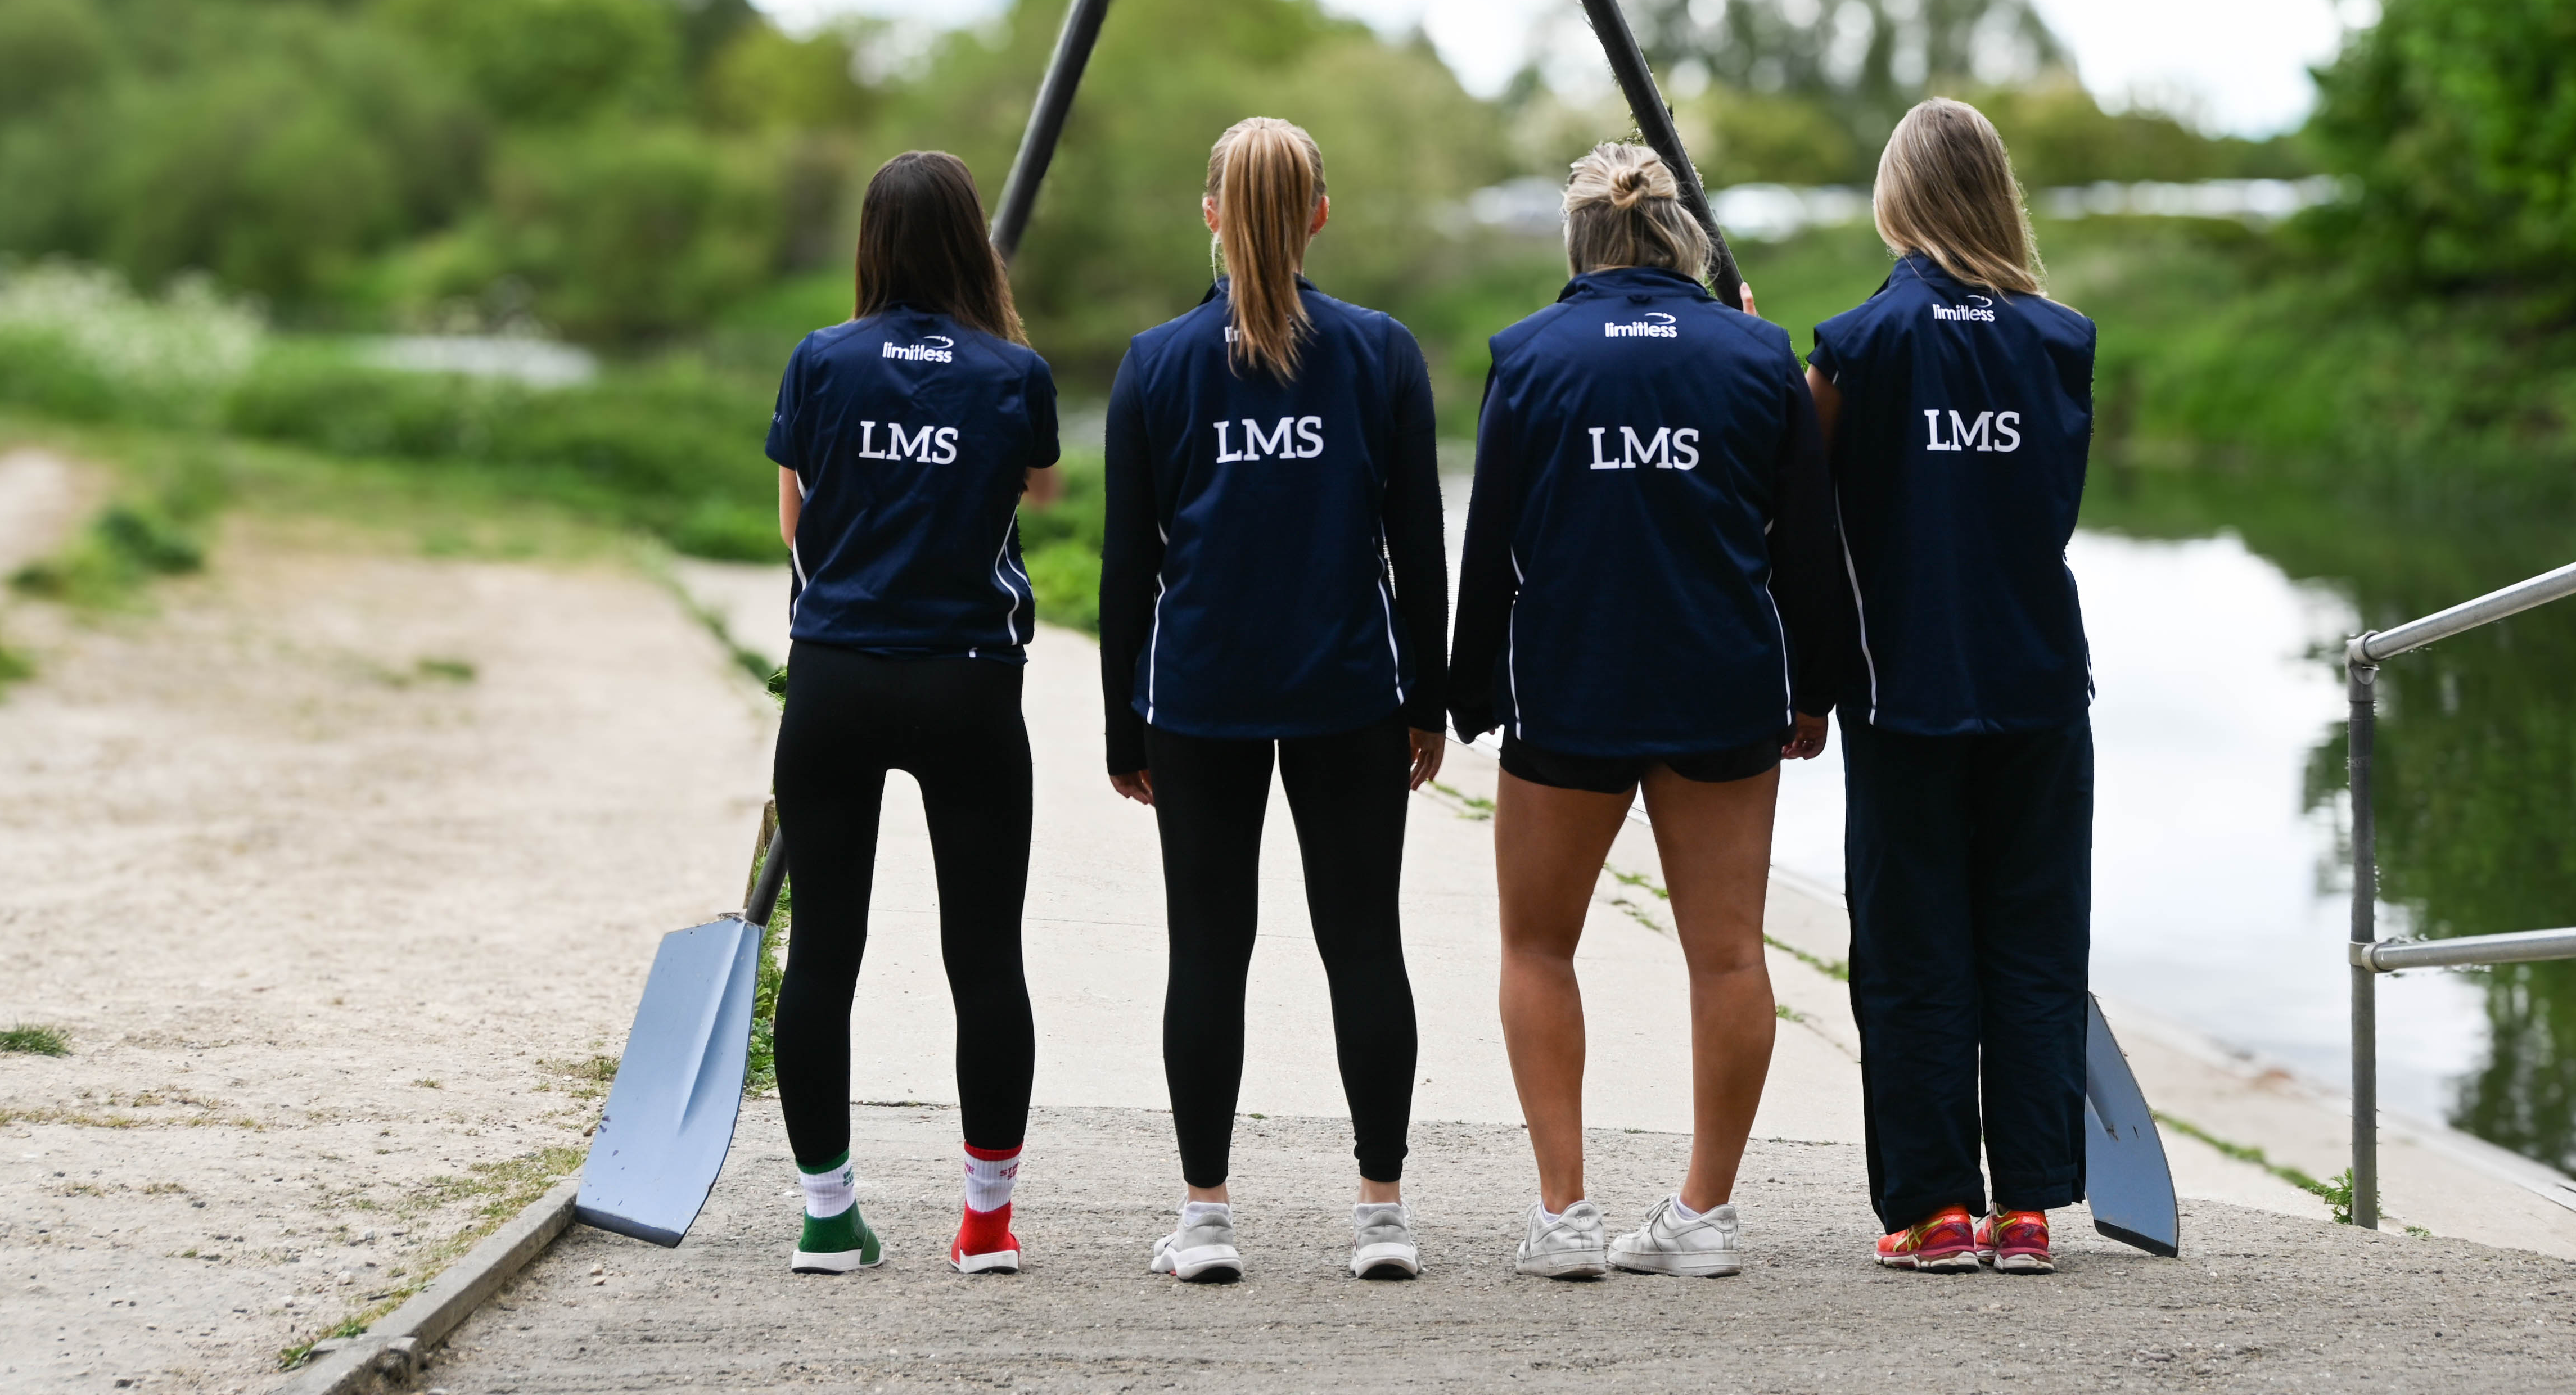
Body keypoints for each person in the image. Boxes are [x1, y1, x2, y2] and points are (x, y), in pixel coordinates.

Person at [1449, 142, 1862, 1281]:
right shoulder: (1757, 353)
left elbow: (1490, 543)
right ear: (1685, 234)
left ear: (1578, 240)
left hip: (1570, 684)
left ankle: (1565, 1213)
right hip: (1722, 681)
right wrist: (1818, 686)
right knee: (1728, 953)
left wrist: (1467, 688)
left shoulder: (1528, 355)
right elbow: (1809, 551)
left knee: (1539, 942)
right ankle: (1705, 1213)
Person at [1099, 116, 1451, 1283]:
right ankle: (1382, 1212)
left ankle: (1206, 1219)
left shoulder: (1156, 361)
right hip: (1351, 687)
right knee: (1365, 943)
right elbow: (1418, 544)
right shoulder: (1383, 351)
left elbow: (1126, 567)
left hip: (1199, 696)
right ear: (1319, 213)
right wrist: (1429, 695)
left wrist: (1121, 718)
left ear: (1211, 210)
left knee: (1208, 949)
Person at [1807, 97, 2096, 1276]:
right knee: (2032, 938)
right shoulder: (2062, 335)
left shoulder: (1855, 344)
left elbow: (1801, 507)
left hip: (1906, 686)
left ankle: (1935, 1210)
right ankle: (2027, 1209)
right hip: (2038, 676)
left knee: (1914, 944)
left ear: (1899, 197)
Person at [763, 149, 1061, 1277]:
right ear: (973, 241)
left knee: (824, 955)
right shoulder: (1013, 370)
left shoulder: (820, 361)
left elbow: (794, 526)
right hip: (969, 680)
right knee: (985, 953)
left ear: (870, 242)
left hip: (836, 675)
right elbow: (1033, 489)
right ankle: (986, 1222)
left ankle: (827, 1217)